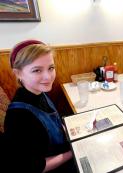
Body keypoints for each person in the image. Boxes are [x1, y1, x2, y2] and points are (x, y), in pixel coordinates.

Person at [3, 40, 77, 173]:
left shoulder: (39, 91)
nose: (48, 77)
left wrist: (69, 131)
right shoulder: (18, 117)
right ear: (18, 73)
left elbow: (54, 122)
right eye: (36, 70)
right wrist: (74, 151)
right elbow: (34, 166)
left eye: (51, 68)